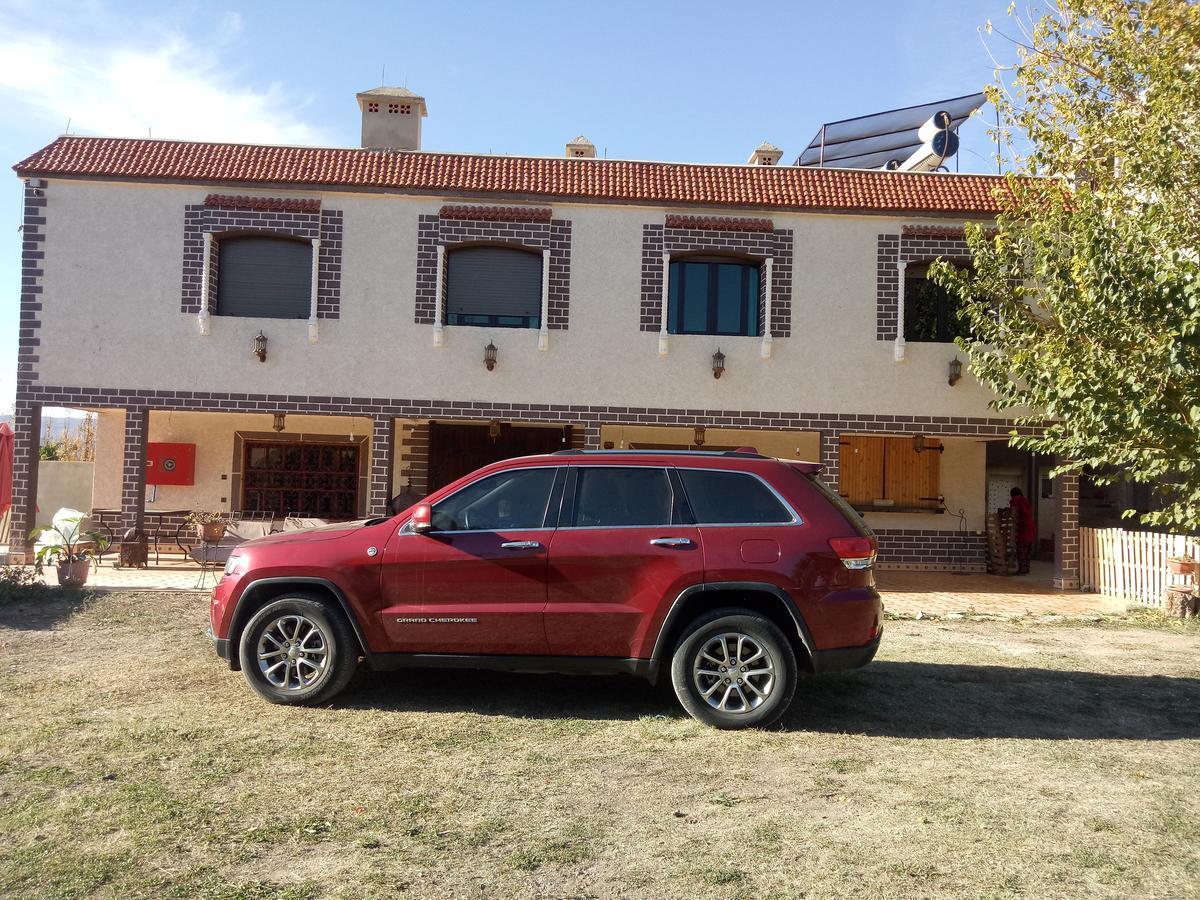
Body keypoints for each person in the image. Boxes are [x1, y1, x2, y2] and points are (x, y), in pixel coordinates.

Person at [1010, 487, 1037, 575]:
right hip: (1031, 527)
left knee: (1021, 550)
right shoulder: (1025, 500)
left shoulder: (1015, 500)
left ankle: (1022, 570)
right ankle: (1026, 569)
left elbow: (1013, 513)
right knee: (1027, 551)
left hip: (1022, 528)